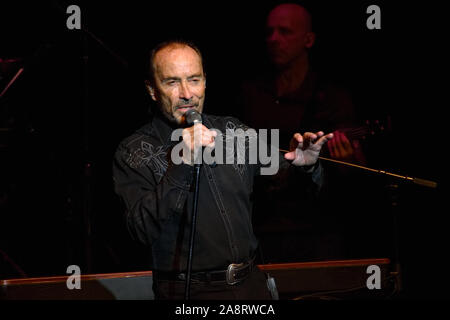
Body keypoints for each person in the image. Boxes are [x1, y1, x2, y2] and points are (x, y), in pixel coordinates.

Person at [112, 39, 333, 299]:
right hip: (189, 292)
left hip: (251, 286)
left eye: (194, 80)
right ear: (152, 90)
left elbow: (289, 191)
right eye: (172, 82)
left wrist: (305, 166)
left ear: (205, 82)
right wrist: (181, 163)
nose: (186, 93)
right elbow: (140, 230)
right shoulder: (135, 151)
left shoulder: (233, 132)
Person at [239, 3, 374, 262]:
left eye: (285, 32)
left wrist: (346, 160)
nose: (274, 39)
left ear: (308, 40)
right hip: (260, 226)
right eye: (269, 32)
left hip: (315, 231)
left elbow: (355, 176)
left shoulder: (332, 97)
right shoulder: (250, 93)